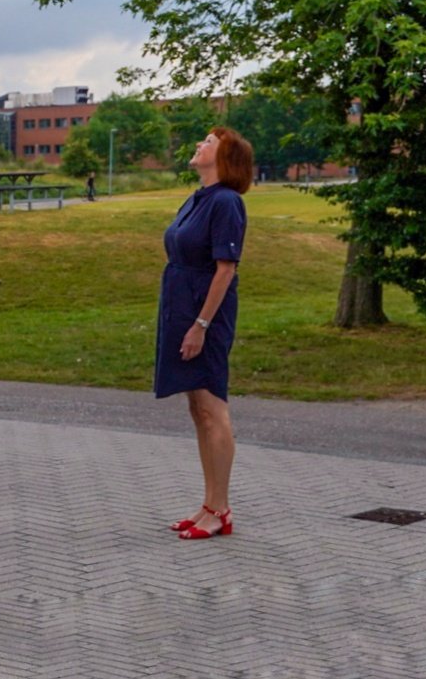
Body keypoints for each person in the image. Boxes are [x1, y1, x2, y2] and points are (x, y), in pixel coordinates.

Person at [157, 125, 252, 540]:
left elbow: (225, 269)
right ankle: (209, 503)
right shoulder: (198, 199)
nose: (200, 144)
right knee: (197, 407)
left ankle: (221, 508)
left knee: (212, 407)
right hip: (182, 306)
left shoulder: (227, 203)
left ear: (227, 157)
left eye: (209, 142)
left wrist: (201, 324)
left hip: (205, 314)